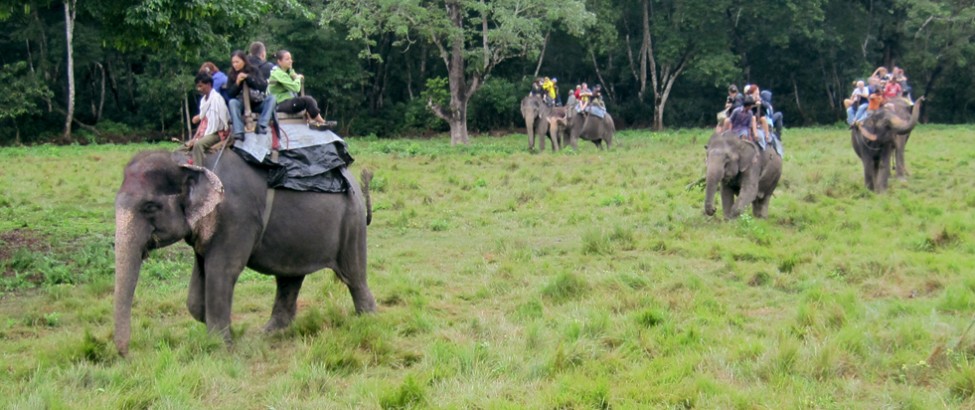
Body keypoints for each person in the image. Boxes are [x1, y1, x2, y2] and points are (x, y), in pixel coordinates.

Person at [268, 49, 331, 130]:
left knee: (310, 100)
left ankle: (315, 121)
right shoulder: (278, 73)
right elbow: (296, 88)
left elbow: (292, 74)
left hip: (287, 101)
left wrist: (292, 71)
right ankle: (322, 122)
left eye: (290, 58)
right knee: (307, 100)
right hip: (279, 104)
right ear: (279, 62)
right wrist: (297, 78)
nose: (290, 61)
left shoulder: (286, 71)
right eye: (287, 59)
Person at [224, 50, 276, 139]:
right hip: (242, 104)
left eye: (237, 62)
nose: (235, 65)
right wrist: (237, 83)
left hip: (257, 102)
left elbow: (262, 86)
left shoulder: (254, 70)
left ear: (244, 61)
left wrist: (248, 78)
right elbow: (230, 94)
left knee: (272, 98)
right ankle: (239, 131)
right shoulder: (232, 74)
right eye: (233, 62)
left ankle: (262, 125)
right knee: (232, 102)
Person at [186, 72, 229, 167]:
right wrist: (195, 138)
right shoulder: (204, 101)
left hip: (216, 133)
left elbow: (216, 125)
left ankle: (198, 171)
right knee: (183, 148)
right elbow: (203, 123)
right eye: (198, 86)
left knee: (198, 145)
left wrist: (198, 139)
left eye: (201, 86)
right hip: (207, 131)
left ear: (209, 84)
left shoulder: (216, 100)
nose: (199, 89)